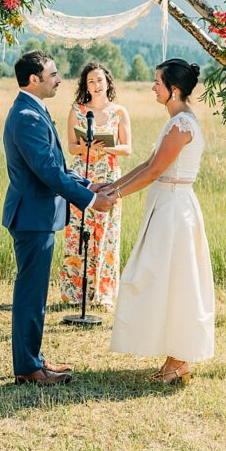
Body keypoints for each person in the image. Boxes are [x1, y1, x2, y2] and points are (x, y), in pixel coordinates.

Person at [2, 51, 116, 386]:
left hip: (36, 214)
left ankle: (32, 359)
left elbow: (58, 169)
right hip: (32, 216)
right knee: (31, 295)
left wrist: (87, 183)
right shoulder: (27, 116)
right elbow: (49, 173)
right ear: (34, 79)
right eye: (53, 74)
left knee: (33, 293)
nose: (59, 79)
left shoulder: (33, 110)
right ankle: (28, 368)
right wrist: (91, 199)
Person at [102, 59, 214, 385]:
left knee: (176, 281)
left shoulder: (182, 126)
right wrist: (112, 187)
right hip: (165, 206)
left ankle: (179, 360)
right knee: (160, 279)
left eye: (157, 82)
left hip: (175, 212)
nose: (153, 87)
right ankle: (174, 357)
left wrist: (116, 197)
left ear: (173, 90)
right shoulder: (174, 121)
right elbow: (149, 163)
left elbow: (153, 172)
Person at [60, 62, 132, 310]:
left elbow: (127, 148)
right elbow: (70, 147)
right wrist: (87, 147)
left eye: (100, 80)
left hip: (109, 175)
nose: (96, 85)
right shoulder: (77, 110)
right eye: (91, 81)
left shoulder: (119, 112)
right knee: (78, 231)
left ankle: (103, 293)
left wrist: (107, 147)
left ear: (108, 82)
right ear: (86, 86)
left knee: (106, 232)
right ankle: (75, 292)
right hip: (82, 175)